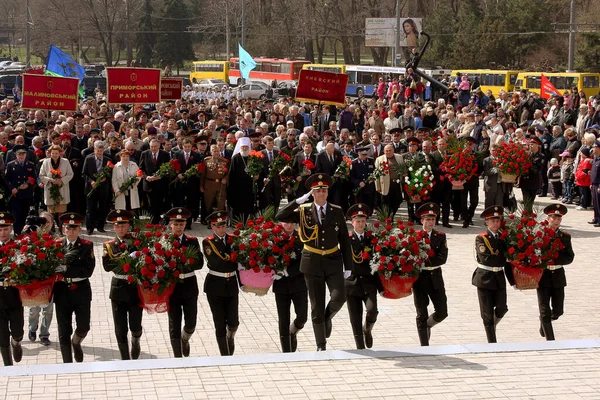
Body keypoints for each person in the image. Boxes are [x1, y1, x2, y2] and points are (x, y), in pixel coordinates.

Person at [276, 173, 353, 351]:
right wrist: (297, 201)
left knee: (339, 297)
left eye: (324, 190)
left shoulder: (336, 210)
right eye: (317, 191)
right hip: (312, 262)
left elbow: (344, 239)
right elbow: (281, 215)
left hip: (333, 260)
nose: (321, 193)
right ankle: (321, 345)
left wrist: (349, 266)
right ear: (312, 193)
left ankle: (327, 318)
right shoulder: (304, 211)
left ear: (327, 192)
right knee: (316, 305)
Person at [102, 209, 143, 360]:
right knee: (120, 328)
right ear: (114, 227)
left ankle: (136, 340)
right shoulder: (109, 245)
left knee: (136, 325)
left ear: (128, 226)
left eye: (123, 225)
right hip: (118, 287)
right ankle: (125, 358)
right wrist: (124, 259)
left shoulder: (137, 242)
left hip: (134, 287)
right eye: (117, 226)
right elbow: (107, 267)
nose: (121, 229)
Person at [54, 213, 95, 363]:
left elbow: (88, 270)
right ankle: (67, 364)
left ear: (79, 229)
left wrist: (65, 268)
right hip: (62, 290)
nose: (71, 231)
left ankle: (76, 342)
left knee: (84, 326)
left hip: (81, 289)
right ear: (63, 229)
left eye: (75, 228)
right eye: (68, 228)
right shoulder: (56, 245)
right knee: (64, 330)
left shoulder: (86, 246)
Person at [165, 207, 203, 357]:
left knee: (191, 323)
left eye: (181, 224)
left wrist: (183, 263)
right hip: (172, 287)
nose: (179, 227)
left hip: (189, 286)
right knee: (174, 323)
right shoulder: (164, 242)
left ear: (185, 225)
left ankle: (184, 339)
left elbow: (199, 263)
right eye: (176, 224)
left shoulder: (192, 242)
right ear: (170, 224)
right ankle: (177, 357)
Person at [472, 205, 513, 343]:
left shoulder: (503, 238)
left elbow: (508, 262)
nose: (496, 223)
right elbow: (487, 259)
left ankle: (492, 326)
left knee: (502, 308)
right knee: (487, 314)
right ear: (486, 222)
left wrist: (513, 281)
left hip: (499, 277)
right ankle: (492, 342)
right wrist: (504, 258)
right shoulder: (481, 238)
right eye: (492, 220)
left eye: (498, 220)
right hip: (485, 277)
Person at [202, 210, 240, 356]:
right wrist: (234, 258)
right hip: (215, 286)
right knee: (219, 323)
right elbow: (216, 262)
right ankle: (225, 355)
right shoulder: (208, 242)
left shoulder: (233, 239)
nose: (221, 228)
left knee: (234, 322)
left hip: (231, 284)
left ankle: (230, 339)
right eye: (217, 226)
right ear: (212, 227)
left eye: (223, 225)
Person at [344, 204, 380, 349]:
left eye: (363, 221)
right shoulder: (346, 240)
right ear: (352, 223)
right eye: (357, 221)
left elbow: (378, 261)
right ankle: (360, 347)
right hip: (352, 283)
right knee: (355, 317)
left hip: (369, 282)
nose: (360, 224)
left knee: (372, 310)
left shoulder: (372, 239)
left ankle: (367, 330)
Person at [537, 204, 574, 340]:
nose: (556, 221)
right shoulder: (539, 234)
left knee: (558, 311)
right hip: (543, 276)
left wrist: (555, 259)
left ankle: (544, 322)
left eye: (559, 219)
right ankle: (550, 339)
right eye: (554, 218)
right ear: (548, 218)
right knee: (544, 309)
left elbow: (570, 257)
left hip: (558, 275)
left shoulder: (565, 237)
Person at [413, 202, 448, 346]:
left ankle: (428, 325)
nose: (430, 222)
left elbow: (442, 258)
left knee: (442, 312)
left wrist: (425, 258)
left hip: (435, 277)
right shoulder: (414, 236)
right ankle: (424, 345)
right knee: (421, 313)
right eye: (427, 219)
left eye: (433, 219)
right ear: (422, 221)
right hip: (420, 278)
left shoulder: (440, 236)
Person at [272, 219, 307, 352]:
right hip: (281, 285)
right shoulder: (274, 237)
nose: (289, 224)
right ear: (281, 223)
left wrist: (287, 272)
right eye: (286, 222)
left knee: (302, 317)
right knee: (283, 319)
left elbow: (306, 259)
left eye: (292, 222)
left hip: (299, 283)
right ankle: (286, 351)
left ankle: (293, 332)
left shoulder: (302, 237)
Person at [27, 211, 56, 346]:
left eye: (48, 222)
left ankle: (44, 334)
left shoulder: (56, 239)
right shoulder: (31, 236)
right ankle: (32, 329)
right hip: (35, 280)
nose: (45, 225)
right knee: (34, 309)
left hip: (49, 279)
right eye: (42, 221)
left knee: (48, 310)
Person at [0, 212, 24, 366]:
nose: (3, 233)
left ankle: (16, 343)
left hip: (14, 294)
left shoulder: (19, 246)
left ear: (11, 229)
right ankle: (8, 367)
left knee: (17, 330)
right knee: (1, 335)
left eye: (6, 229)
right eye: (0, 230)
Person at [5, 144, 36, 234]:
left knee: (25, 215)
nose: (21, 156)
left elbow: (34, 178)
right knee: (16, 215)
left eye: (23, 154)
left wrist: (29, 185)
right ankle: (17, 234)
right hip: (16, 195)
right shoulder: (10, 165)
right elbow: (7, 179)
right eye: (19, 154)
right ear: (15, 155)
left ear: (26, 154)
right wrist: (12, 188)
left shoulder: (30, 165)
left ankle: (25, 234)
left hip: (26, 195)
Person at [82, 141, 112, 234]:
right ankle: (89, 228)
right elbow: (84, 173)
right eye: (97, 151)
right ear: (94, 150)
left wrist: (105, 178)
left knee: (102, 208)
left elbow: (110, 173)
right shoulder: (89, 158)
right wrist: (91, 181)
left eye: (101, 151)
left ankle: (100, 226)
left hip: (103, 188)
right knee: (90, 208)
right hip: (91, 187)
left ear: (103, 150)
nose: (99, 153)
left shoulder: (107, 159)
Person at [200, 145, 229, 223]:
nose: (216, 153)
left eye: (217, 151)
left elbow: (227, 173)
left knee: (221, 204)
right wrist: (201, 186)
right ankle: (208, 220)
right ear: (211, 152)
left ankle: (219, 221)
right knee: (208, 204)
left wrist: (225, 179)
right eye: (214, 151)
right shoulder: (206, 161)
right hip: (209, 185)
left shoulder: (224, 161)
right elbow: (203, 174)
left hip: (220, 185)